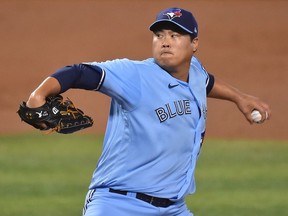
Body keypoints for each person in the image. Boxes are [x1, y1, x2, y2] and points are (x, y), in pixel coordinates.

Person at [25, 7, 271, 216]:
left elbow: (205, 82)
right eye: (159, 35)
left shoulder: (194, 71)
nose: (165, 41)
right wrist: (38, 95)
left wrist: (240, 98)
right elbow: (80, 72)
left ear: (194, 44)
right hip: (118, 203)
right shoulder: (135, 75)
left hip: (174, 208)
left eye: (175, 35)